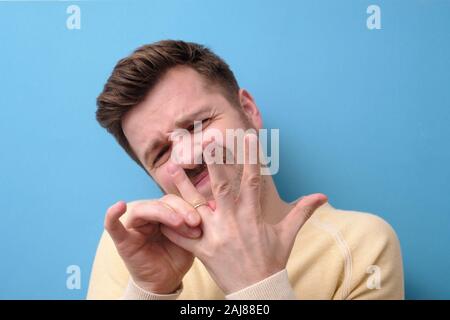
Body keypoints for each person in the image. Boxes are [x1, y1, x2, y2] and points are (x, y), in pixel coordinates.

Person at [87, 40, 404, 299]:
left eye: (198, 125)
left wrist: (256, 281)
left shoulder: (362, 245)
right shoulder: (129, 244)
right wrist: (150, 291)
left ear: (249, 111)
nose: (187, 157)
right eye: (161, 153)